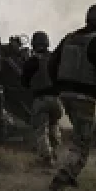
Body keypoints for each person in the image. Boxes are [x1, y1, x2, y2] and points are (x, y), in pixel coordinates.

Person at [46, 3, 96, 191]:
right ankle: (63, 177)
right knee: (83, 142)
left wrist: (58, 86)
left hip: (66, 95)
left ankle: (68, 168)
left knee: (88, 131)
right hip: (84, 98)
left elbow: (51, 64)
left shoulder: (68, 39)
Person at [20, 30, 63, 166]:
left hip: (41, 100)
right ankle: (55, 152)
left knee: (41, 130)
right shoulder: (55, 60)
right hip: (56, 100)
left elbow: (24, 82)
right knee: (54, 125)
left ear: (33, 44)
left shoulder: (32, 62)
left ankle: (46, 158)